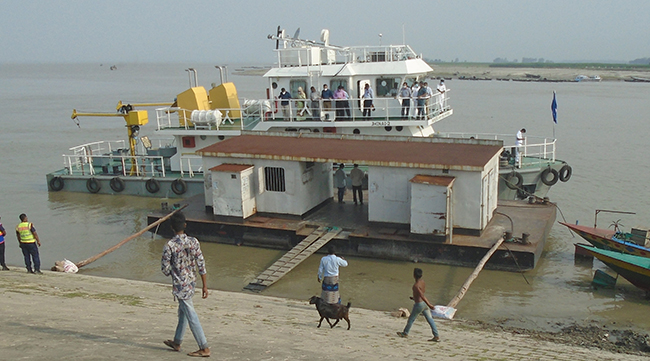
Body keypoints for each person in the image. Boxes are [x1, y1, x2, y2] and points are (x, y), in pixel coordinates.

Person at [161, 212, 211, 357]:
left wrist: (175, 271)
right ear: (185, 225)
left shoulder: (169, 245)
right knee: (183, 311)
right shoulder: (193, 242)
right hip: (191, 282)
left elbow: (165, 269)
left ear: (171, 227)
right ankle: (177, 342)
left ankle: (204, 347)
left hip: (180, 284)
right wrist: (205, 285)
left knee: (190, 313)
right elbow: (201, 264)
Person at [397, 268, 440, 342]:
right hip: (423, 304)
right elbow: (422, 293)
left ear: (414, 275)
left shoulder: (415, 286)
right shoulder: (422, 282)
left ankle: (405, 333)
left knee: (411, 319)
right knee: (430, 319)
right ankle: (436, 335)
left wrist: (430, 305)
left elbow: (422, 295)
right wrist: (414, 298)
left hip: (419, 304)